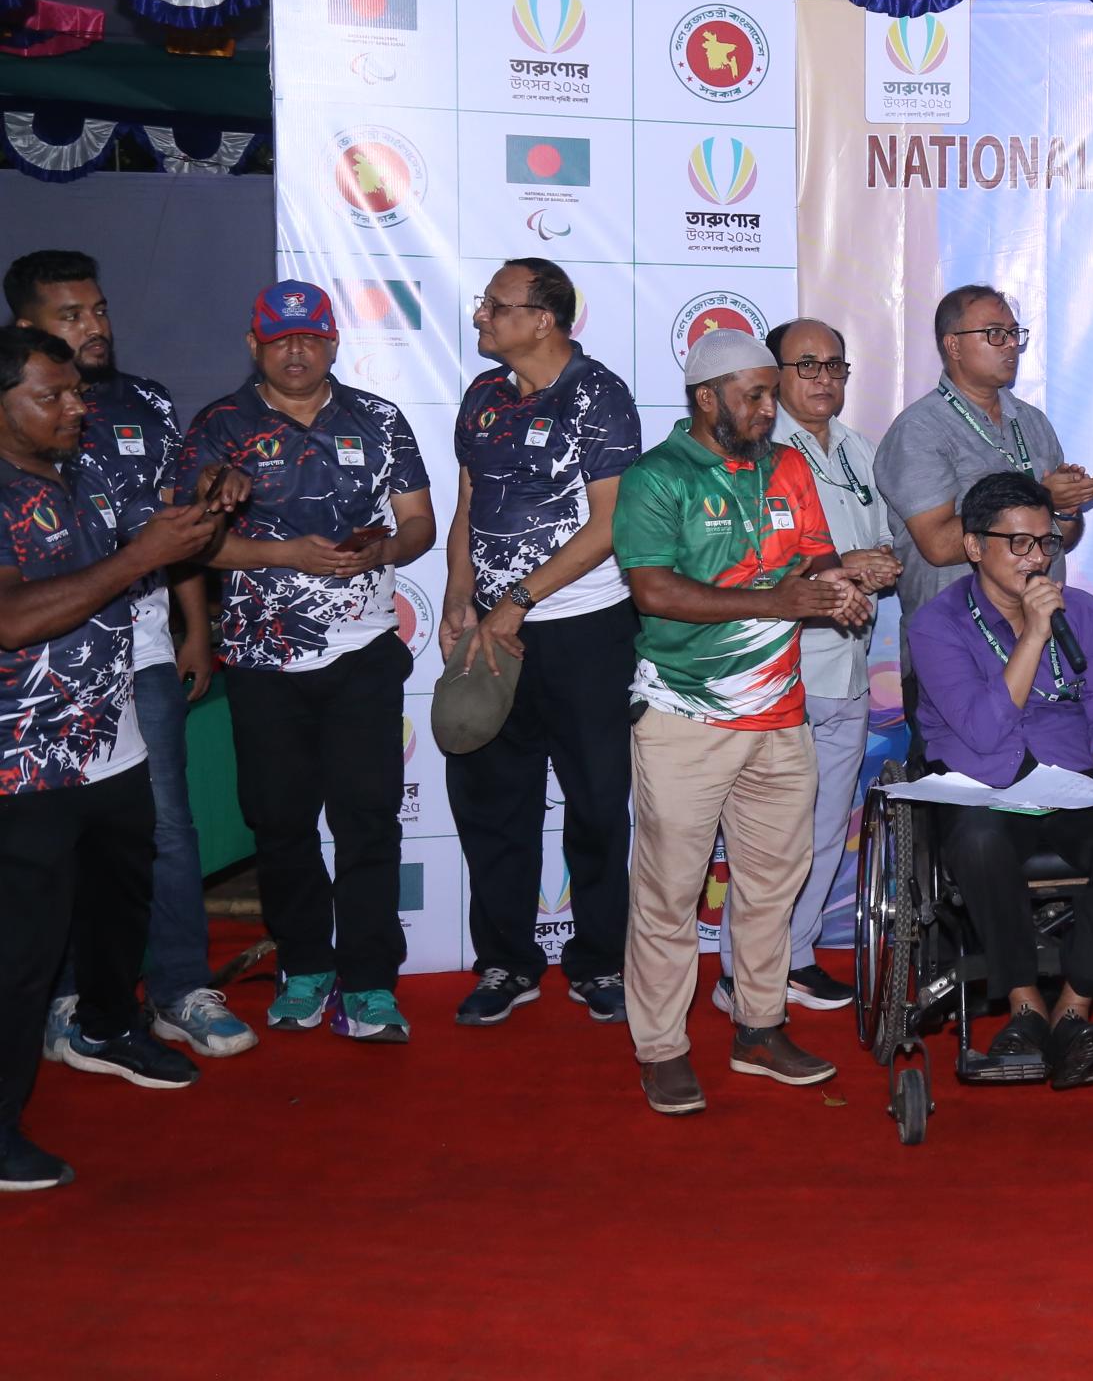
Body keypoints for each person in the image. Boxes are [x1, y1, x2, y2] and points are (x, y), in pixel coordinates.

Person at [613, 328, 882, 1116]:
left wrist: (840, 584)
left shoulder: (787, 466)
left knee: (771, 886)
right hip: (684, 718)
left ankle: (759, 1028)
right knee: (668, 894)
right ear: (708, 399)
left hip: (781, 718)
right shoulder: (657, 477)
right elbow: (654, 591)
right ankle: (662, 1049)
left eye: (772, 393)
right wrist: (777, 602)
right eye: (755, 395)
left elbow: (813, 556)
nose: (771, 408)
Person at [1, 329, 235, 1190]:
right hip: (24, 767)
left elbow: (161, 542)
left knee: (116, 913)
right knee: (22, 953)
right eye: (52, 397)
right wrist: (140, 557)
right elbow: (13, 620)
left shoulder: (81, 474)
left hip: (114, 747)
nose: (76, 408)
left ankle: (105, 1027)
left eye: (75, 393)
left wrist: (209, 502)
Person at [186, 282, 435, 1044]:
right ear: (254, 345)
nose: (296, 351)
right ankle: (303, 966)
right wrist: (284, 554)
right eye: (280, 339)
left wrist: (382, 550)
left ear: (332, 343)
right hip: (262, 662)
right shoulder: (219, 426)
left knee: (368, 821)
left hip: (362, 654)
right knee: (280, 821)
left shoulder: (378, 419)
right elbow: (194, 542)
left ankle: (370, 981)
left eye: (311, 337)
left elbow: (420, 524)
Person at [444, 258, 643, 1028]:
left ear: (543, 319)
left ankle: (599, 962)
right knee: (494, 804)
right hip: (493, 631)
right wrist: (460, 595)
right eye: (484, 304)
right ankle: (506, 962)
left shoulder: (599, 396)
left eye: (496, 305)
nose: (482, 315)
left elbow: (610, 524)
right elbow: (467, 504)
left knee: (597, 804)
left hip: (586, 632)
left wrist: (519, 601)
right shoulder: (483, 396)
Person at [905, 472, 1093, 1090]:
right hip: (981, 784)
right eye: (1018, 543)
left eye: (1046, 542)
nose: (1036, 558)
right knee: (979, 842)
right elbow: (985, 731)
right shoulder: (937, 625)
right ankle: (1024, 1003)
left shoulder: (1083, 613)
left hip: (1069, 780)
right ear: (974, 546)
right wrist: (1035, 634)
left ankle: (1074, 1007)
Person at [712, 319, 900, 1018]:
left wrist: (878, 565)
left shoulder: (858, 449)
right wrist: (844, 566)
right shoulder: (753, 449)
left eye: (836, 366)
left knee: (823, 829)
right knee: (768, 835)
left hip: (846, 666)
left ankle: (793, 958)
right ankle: (740, 974)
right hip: (776, 669)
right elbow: (740, 562)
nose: (825, 378)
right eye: (808, 365)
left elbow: (881, 541)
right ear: (775, 373)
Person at [874, 282, 1093, 639]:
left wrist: (1065, 508)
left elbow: (1061, 540)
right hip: (958, 640)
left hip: (1040, 631)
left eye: (1014, 333)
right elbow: (937, 545)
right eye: (996, 334)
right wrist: (1041, 497)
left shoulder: (1032, 422)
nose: (1011, 344)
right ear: (954, 345)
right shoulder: (920, 429)